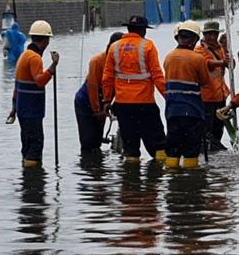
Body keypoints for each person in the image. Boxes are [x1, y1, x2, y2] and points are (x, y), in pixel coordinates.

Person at [101, 15, 167, 164]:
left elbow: (107, 78)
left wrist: (106, 100)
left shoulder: (114, 47)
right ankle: (161, 176)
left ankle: (131, 181)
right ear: (143, 30)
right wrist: (169, 97)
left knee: (130, 146)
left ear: (128, 28)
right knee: (158, 143)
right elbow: (158, 76)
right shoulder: (148, 46)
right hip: (145, 103)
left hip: (123, 105)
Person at [5, 20, 59, 168]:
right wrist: (53, 66)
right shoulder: (34, 58)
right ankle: (33, 181)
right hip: (31, 110)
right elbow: (40, 81)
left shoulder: (24, 55)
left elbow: (17, 86)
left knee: (27, 144)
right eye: (48, 39)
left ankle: (27, 180)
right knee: (35, 144)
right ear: (45, 40)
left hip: (23, 109)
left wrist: (14, 108)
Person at [163, 21, 211, 169]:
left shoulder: (168, 57)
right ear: (194, 40)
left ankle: (173, 181)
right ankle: (190, 183)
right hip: (192, 111)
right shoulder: (198, 59)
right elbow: (205, 82)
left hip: (172, 111)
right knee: (191, 150)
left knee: (173, 149)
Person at [74, 31, 124, 155]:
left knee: (97, 140)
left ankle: (97, 168)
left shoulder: (121, 63)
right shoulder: (97, 61)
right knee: (88, 141)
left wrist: (112, 105)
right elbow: (92, 86)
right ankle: (88, 164)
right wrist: (97, 110)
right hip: (86, 101)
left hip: (104, 101)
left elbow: (118, 87)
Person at [194, 21, 231, 152]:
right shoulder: (199, 50)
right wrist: (222, 62)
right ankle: (207, 152)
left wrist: (226, 50)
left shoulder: (220, 48)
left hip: (221, 95)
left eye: (213, 34)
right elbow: (206, 63)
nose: (210, 37)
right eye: (208, 34)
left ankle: (215, 153)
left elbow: (230, 65)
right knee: (207, 130)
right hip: (207, 97)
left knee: (218, 128)